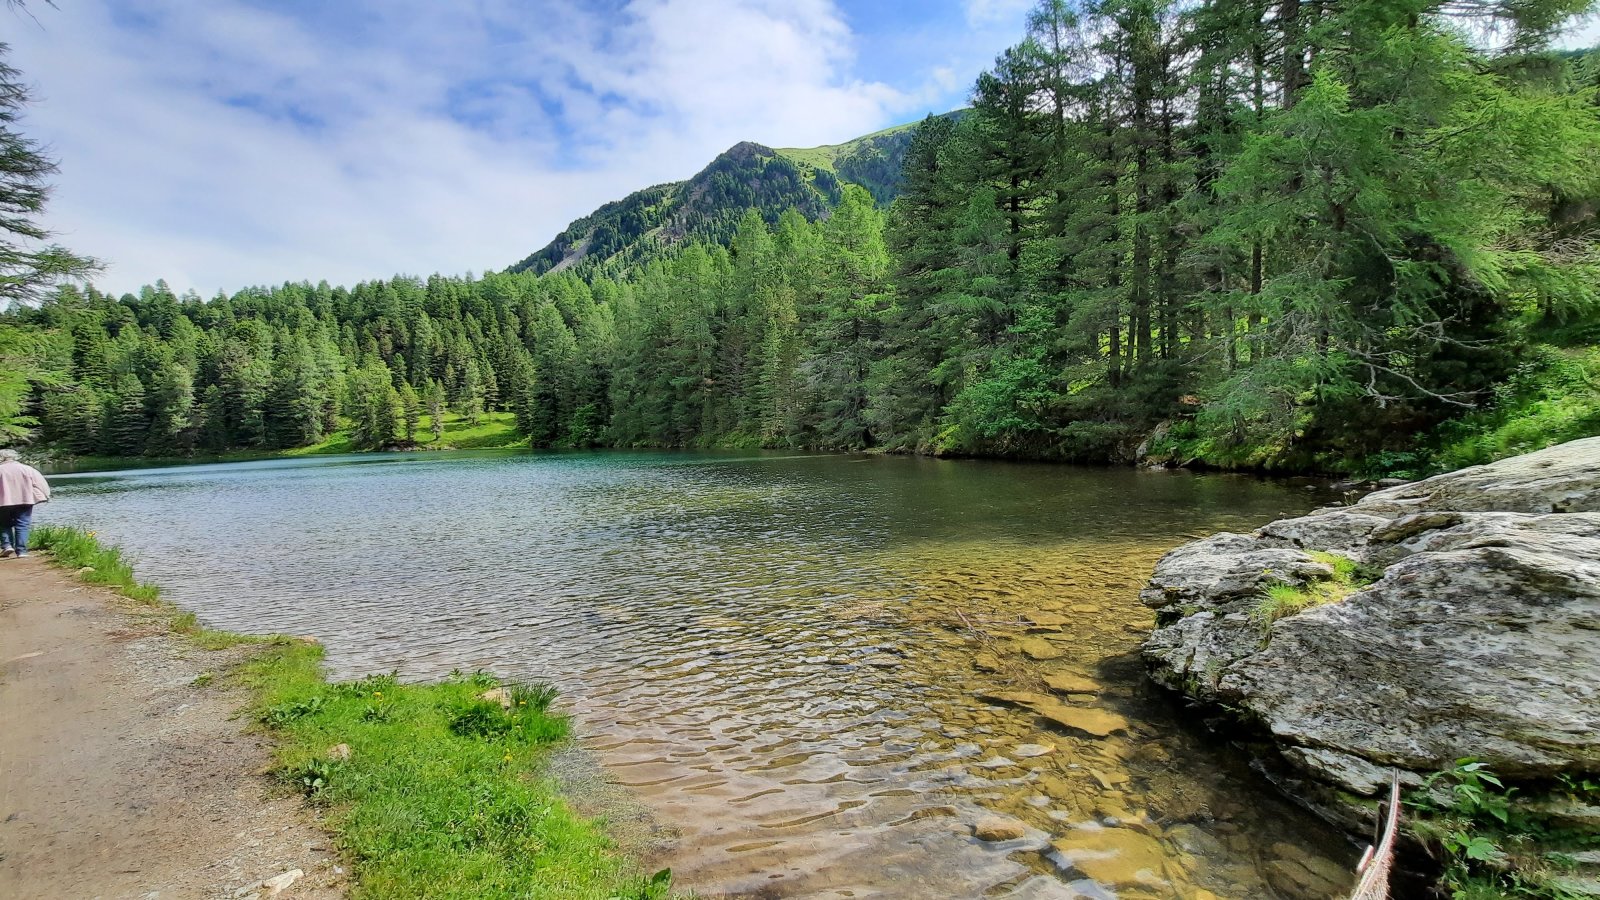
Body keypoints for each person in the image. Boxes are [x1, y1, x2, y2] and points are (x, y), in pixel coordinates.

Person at [0, 448, 51, 558]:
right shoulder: (27, 469)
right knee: (22, 525)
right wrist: (47, 495)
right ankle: (22, 551)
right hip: (25, 500)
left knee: (4, 524)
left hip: (3, 502)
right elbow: (41, 483)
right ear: (15, 457)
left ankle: (7, 545)